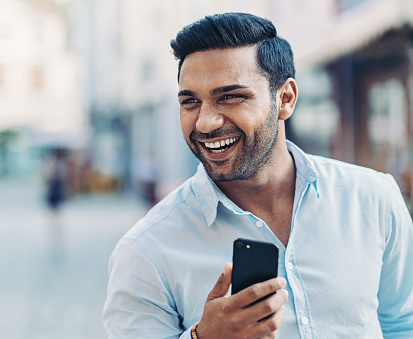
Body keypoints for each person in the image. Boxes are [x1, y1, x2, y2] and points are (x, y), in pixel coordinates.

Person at [102, 12, 413, 338]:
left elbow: (403, 324)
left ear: (286, 99)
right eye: (190, 102)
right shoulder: (144, 251)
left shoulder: (374, 198)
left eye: (231, 97)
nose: (206, 122)